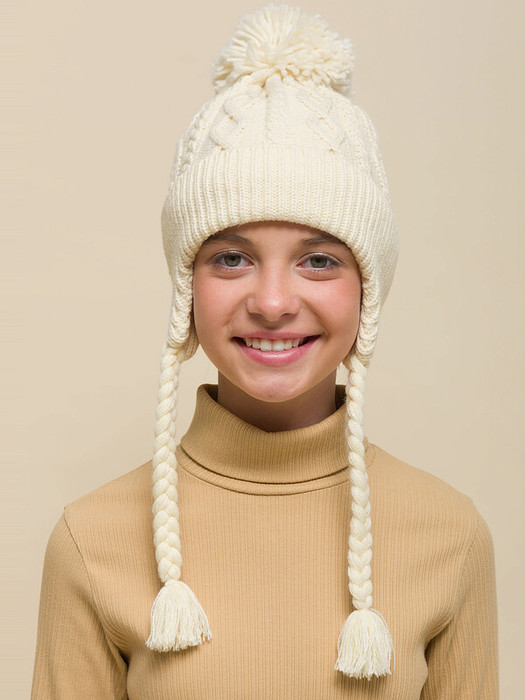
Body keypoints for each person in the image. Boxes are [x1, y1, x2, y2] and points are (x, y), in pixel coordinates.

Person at [31, 4, 498, 698]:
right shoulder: (91, 538)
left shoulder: (449, 533)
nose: (273, 302)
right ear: (185, 288)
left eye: (318, 260)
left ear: (368, 291)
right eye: (230, 258)